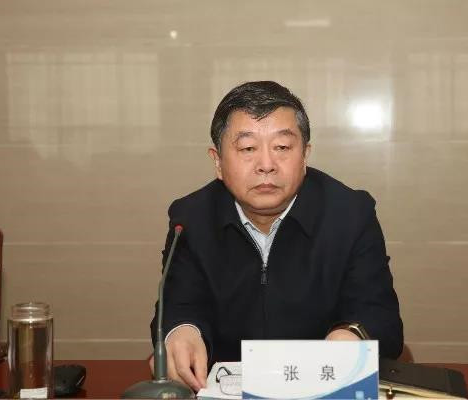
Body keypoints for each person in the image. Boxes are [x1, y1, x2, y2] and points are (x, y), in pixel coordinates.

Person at [149, 81, 403, 391]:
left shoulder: (351, 214)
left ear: (305, 155)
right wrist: (181, 331)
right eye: (248, 148)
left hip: (323, 386)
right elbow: (178, 305)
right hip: (226, 390)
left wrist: (351, 337)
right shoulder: (191, 219)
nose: (266, 165)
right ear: (218, 161)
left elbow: (382, 319)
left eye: (282, 147)